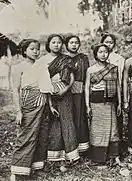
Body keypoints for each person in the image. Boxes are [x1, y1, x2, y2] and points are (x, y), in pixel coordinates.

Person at [10, 39, 56, 180]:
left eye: (37, 49)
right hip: (28, 104)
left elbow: (46, 87)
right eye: (32, 49)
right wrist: (19, 111)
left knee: (42, 135)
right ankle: (18, 171)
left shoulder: (42, 66)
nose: (36, 52)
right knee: (26, 136)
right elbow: (15, 90)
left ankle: (37, 166)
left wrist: (51, 105)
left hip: (43, 103)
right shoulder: (18, 68)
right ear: (24, 51)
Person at [40, 34, 80, 163]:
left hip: (65, 92)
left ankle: (71, 154)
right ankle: (55, 155)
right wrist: (50, 99)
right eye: (53, 42)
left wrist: (64, 90)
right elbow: (43, 81)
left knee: (67, 120)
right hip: (50, 93)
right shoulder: (44, 60)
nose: (56, 45)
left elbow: (72, 77)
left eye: (59, 42)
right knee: (54, 122)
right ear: (48, 44)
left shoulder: (66, 59)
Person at [85, 43, 122, 165]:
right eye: (100, 52)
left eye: (105, 52)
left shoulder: (113, 67)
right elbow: (87, 88)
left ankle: (113, 156)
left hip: (110, 102)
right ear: (96, 54)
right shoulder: (91, 70)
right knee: (97, 130)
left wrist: (120, 103)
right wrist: (87, 106)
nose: (103, 54)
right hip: (96, 102)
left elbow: (117, 86)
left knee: (113, 129)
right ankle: (98, 158)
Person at [65, 35, 90, 154]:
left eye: (76, 42)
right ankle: (70, 148)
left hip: (80, 90)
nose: (74, 45)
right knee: (69, 117)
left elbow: (87, 75)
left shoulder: (83, 58)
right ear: (67, 44)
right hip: (66, 91)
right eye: (71, 42)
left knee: (80, 117)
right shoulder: (63, 58)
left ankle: (82, 147)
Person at [100, 33, 125, 141]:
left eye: (111, 42)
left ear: (114, 44)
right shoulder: (99, 57)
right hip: (102, 91)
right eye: (106, 42)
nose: (108, 45)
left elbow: (121, 77)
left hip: (115, 90)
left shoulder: (119, 59)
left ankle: (117, 143)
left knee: (116, 117)